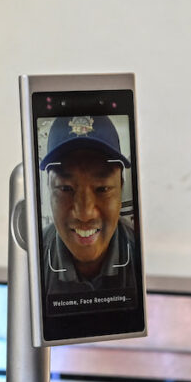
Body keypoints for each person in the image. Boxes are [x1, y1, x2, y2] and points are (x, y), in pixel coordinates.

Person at [40, 115, 136, 294]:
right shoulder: (32, 259)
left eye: (102, 189)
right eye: (65, 188)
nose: (84, 213)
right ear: (48, 188)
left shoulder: (143, 256)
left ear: (121, 187)